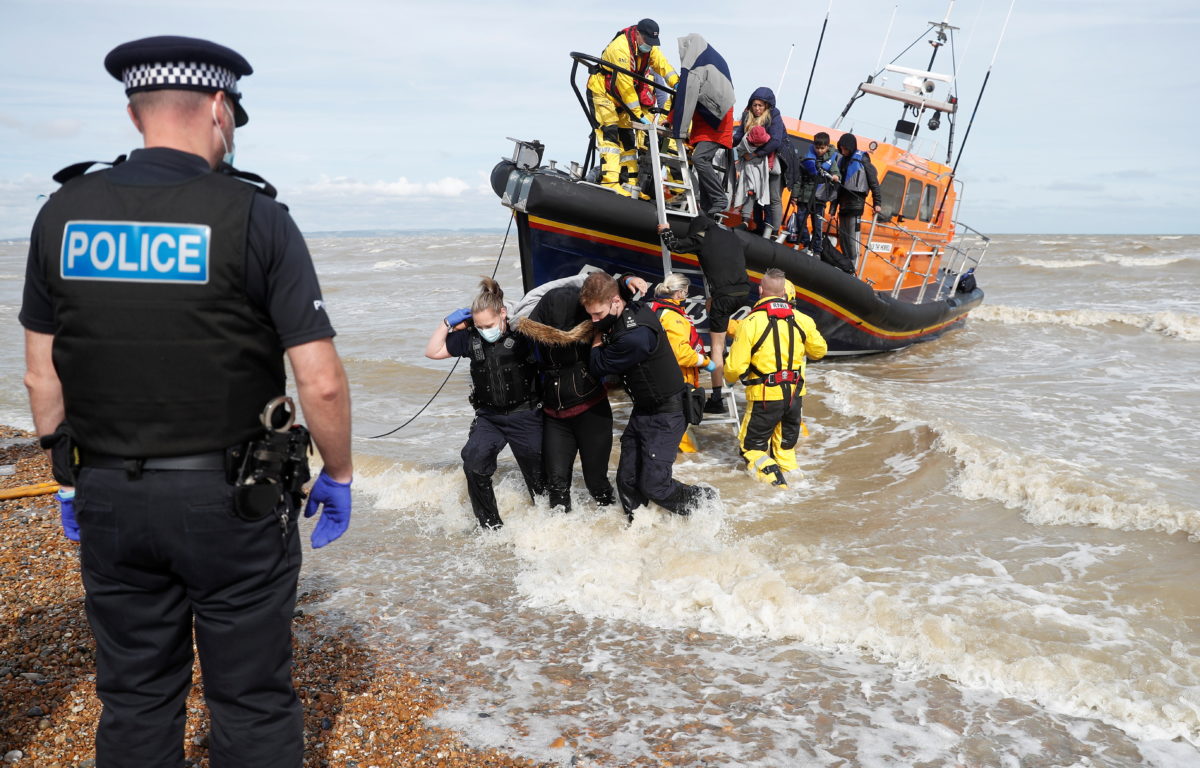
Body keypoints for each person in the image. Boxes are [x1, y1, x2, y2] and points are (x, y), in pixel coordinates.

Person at [19, 36, 353, 768]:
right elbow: (319, 378)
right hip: (231, 503)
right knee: (251, 700)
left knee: (135, 696)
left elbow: (42, 375)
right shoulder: (255, 216)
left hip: (106, 491)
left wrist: (67, 474)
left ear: (137, 113)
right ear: (217, 107)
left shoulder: (63, 214)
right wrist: (339, 473)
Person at [579, 272, 714, 521]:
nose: (594, 320)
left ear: (616, 302)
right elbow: (608, 282)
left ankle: (706, 504)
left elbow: (598, 366)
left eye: (597, 315)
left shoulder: (635, 337)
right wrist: (627, 279)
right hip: (643, 409)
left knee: (655, 485)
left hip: (668, 413)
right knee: (627, 480)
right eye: (590, 315)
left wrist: (596, 339)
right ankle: (638, 530)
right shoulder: (626, 305)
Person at [426, 277, 544, 529]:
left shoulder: (523, 333)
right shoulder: (471, 339)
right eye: (479, 326)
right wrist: (447, 323)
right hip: (490, 418)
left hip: (525, 415)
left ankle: (546, 527)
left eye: (488, 324)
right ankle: (490, 527)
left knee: (539, 479)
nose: (484, 330)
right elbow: (433, 351)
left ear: (503, 313)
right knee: (474, 463)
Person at [514, 274, 619, 512]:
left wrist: (628, 279)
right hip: (555, 417)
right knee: (557, 488)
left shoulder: (596, 327)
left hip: (591, 413)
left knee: (596, 484)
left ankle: (615, 528)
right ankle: (559, 544)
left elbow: (610, 293)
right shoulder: (534, 335)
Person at [723, 268, 827, 487]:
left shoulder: (750, 323)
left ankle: (777, 487)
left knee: (752, 449)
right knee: (785, 448)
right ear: (784, 293)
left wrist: (727, 375)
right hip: (794, 397)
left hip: (764, 397)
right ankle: (798, 486)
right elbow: (819, 351)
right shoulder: (803, 320)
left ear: (760, 290)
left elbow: (734, 368)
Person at [658, 213, 753, 414]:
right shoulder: (732, 236)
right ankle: (736, 363)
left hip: (724, 296)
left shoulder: (701, 236)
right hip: (744, 292)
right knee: (718, 316)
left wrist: (664, 231)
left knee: (716, 346)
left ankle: (717, 399)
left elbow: (675, 245)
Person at [586, 19, 680, 198]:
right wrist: (638, 116)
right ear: (637, 34)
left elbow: (662, 65)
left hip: (620, 99)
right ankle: (610, 182)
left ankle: (631, 185)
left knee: (628, 140)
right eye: (647, 42)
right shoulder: (620, 48)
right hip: (603, 93)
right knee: (610, 134)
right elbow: (625, 86)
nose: (650, 46)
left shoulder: (648, 46)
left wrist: (677, 82)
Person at [648, 274, 717, 452]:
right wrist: (705, 361)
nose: (686, 296)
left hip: (663, 377)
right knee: (675, 431)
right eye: (686, 293)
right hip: (676, 380)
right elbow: (682, 354)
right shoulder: (673, 316)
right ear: (678, 293)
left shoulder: (657, 308)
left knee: (665, 432)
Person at [670, 33, 735, 217]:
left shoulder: (695, 67)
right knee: (702, 161)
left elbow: (687, 98)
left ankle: (719, 198)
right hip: (712, 119)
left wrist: (679, 132)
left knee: (700, 159)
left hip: (716, 122)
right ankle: (707, 212)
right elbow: (685, 98)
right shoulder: (709, 58)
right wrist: (671, 120)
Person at [731, 87, 786, 237]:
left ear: (766, 106)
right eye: (755, 105)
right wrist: (727, 143)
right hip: (755, 161)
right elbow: (739, 136)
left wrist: (756, 154)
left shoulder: (774, 116)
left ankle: (774, 231)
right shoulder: (746, 116)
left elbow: (775, 141)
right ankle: (757, 226)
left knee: (773, 197)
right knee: (754, 192)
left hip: (773, 159)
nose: (757, 108)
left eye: (760, 105)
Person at [832, 132, 884, 273]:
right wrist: (832, 209)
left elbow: (874, 182)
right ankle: (845, 265)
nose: (843, 151)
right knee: (843, 237)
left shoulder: (863, 159)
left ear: (851, 147)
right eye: (841, 148)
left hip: (856, 204)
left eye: (846, 148)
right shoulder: (842, 161)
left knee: (852, 238)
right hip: (843, 205)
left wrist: (877, 202)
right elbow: (838, 188)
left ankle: (853, 268)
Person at [795, 131, 840, 255]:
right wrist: (795, 194)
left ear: (827, 147)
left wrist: (835, 176)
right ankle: (805, 242)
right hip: (805, 195)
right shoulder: (808, 157)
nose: (819, 150)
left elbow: (836, 172)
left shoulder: (832, 160)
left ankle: (817, 250)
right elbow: (799, 177)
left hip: (819, 198)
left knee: (817, 224)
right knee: (800, 219)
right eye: (817, 147)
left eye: (822, 148)